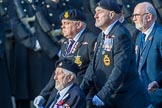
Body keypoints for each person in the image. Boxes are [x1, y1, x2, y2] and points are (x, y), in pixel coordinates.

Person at [80, 0, 150, 108]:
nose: (95, 15)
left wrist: (102, 95)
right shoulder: (101, 36)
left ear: (111, 14)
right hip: (110, 97)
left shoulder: (120, 35)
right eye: (95, 12)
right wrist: (81, 90)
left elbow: (119, 69)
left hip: (126, 100)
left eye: (99, 12)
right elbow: (93, 65)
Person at [34, 9, 97, 108]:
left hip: (83, 95)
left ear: (79, 25)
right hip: (66, 93)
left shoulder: (91, 40)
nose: (62, 26)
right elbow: (59, 71)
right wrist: (43, 94)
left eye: (66, 23)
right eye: (62, 23)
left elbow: (94, 69)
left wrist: (78, 91)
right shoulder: (66, 43)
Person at [132, 2, 162, 108]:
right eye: (133, 16)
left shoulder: (160, 35)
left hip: (155, 96)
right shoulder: (140, 36)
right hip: (140, 94)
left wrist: (157, 82)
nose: (133, 19)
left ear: (148, 17)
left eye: (136, 15)